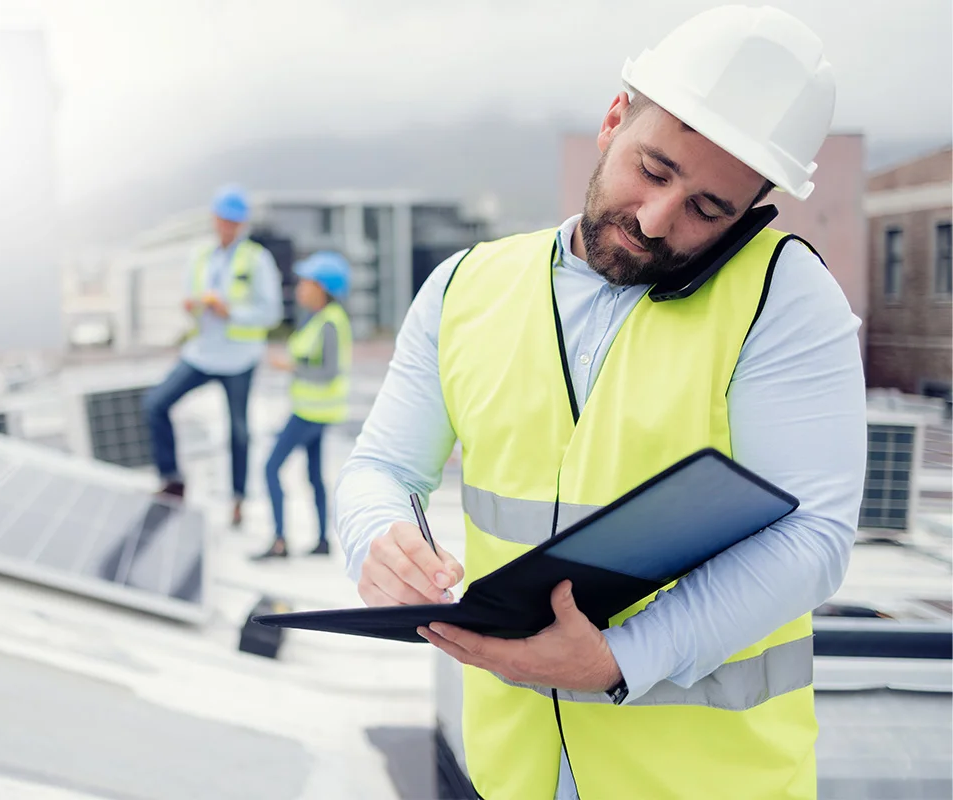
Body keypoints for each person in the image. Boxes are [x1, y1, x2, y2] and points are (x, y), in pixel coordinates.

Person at [334, 6, 866, 800]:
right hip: (515, 772)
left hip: (708, 783)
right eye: (654, 171)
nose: (657, 221)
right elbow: (381, 466)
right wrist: (377, 538)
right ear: (614, 120)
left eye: (708, 210)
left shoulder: (785, 299)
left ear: (755, 205)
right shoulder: (464, 288)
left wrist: (624, 657)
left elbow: (814, 536)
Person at [143, 184, 283, 526]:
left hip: (239, 359)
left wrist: (230, 311)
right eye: (223, 220)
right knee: (154, 404)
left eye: (234, 222)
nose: (227, 227)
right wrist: (192, 306)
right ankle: (172, 479)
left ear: (242, 224)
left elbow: (271, 313)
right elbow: (191, 300)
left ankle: (238, 500)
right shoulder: (200, 256)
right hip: (202, 353)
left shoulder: (257, 259)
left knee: (238, 432)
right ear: (214, 219)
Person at [253, 252, 354, 560]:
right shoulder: (319, 319)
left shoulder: (329, 324)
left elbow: (328, 371)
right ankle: (322, 542)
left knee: (270, 468)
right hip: (315, 411)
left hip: (311, 412)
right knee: (313, 475)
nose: (299, 287)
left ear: (321, 288)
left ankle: (280, 541)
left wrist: (289, 367)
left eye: (306, 282)